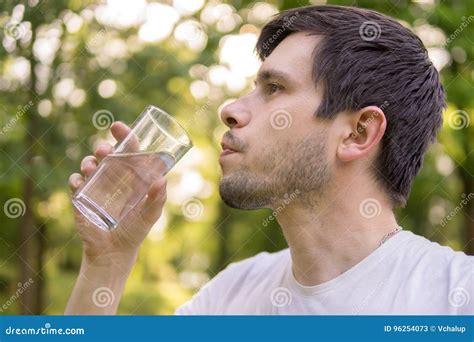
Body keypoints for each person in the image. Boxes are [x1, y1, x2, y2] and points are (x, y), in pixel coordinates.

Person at [65, 5, 473, 315]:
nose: (231, 109)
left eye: (274, 88)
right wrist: (109, 262)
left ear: (358, 133)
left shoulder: (457, 298)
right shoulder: (230, 297)